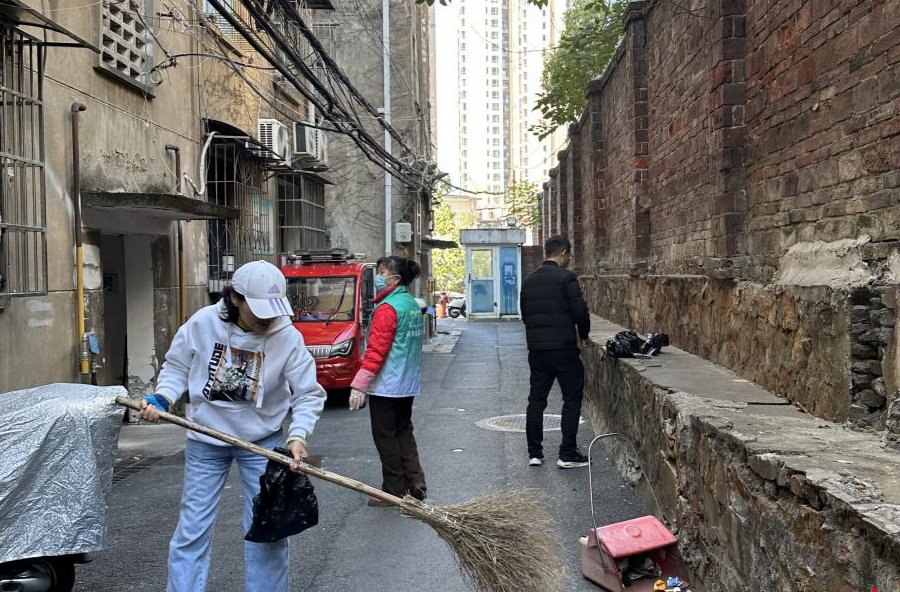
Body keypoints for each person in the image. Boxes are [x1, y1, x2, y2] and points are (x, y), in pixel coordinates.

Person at [137, 260, 326, 592]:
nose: (266, 319)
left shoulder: (287, 336)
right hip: (206, 439)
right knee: (191, 531)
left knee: (269, 530)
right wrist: (164, 398)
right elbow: (178, 366)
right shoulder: (203, 323)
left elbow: (308, 392)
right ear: (235, 298)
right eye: (258, 311)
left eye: (271, 311)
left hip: (262, 442)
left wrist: (297, 435)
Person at [348, 256, 427, 506]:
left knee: (386, 437)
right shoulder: (411, 304)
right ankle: (416, 484)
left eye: (383, 273)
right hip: (408, 383)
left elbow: (376, 352)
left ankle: (393, 490)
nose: (379, 278)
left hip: (387, 385)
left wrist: (359, 384)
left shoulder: (387, 309)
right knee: (404, 432)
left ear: (395, 278)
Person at [519, 235, 593, 469]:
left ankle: (535, 453)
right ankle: (567, 453)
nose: (569, 260)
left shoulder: (529, 281)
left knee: (536, 400)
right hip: (563, 348)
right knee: (571, 398)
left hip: (537, 350)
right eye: (569, 255)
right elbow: (580, 311)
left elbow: (526, 315)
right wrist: (583, 334)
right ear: (563, 253)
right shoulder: (566, 278)